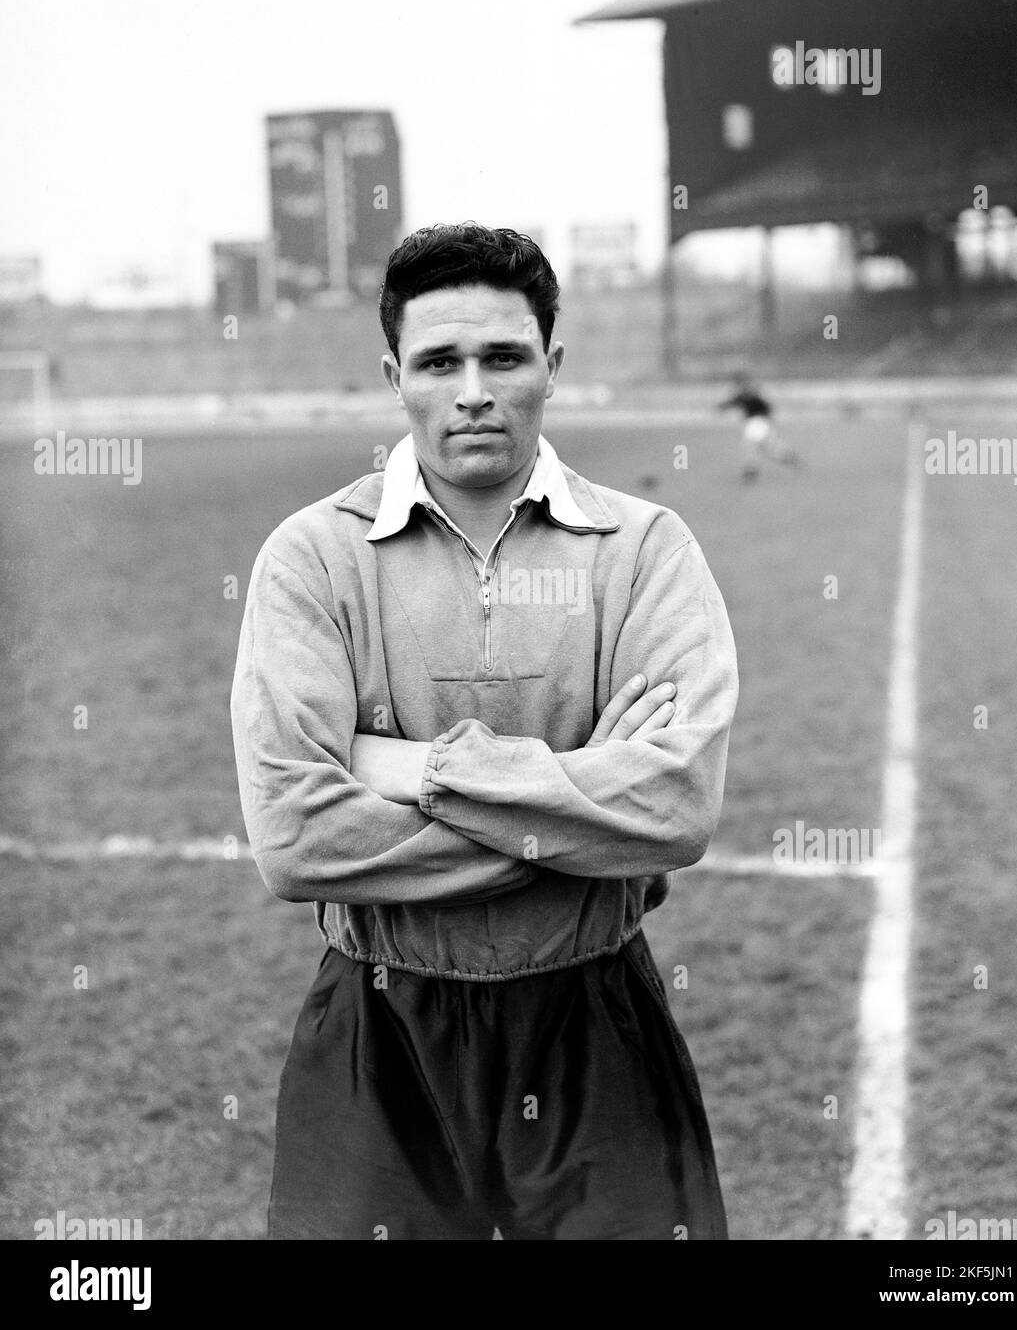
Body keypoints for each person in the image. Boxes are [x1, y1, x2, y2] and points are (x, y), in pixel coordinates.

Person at [230, 223, 739, 1241]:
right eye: (438, 362)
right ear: (394, 376)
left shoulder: (641, 550)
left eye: (502, 357)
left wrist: (411, 766)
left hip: (594, 1021)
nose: (472, 388)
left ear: (551, 364)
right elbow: (292, 837)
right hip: (380, 1028)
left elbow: (675, 807)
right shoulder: (311, 559)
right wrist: (579, 807)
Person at [718, 371, 799, 481]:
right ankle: (787, 456)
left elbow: (737, 401)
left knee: (749, 445)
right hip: (761, 421)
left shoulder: (747, 392)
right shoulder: (751, 390)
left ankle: (751, 470)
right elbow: (765, 405)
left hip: (755, 422)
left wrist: (722, 407)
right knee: (767, 447)